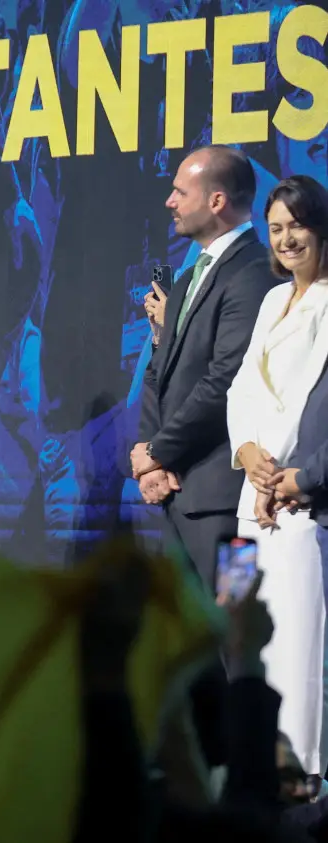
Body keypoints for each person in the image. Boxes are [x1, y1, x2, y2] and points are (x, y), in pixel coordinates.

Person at [132, 145, 278, 590]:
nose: (169, 202)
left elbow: (225, 383)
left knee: (236, 638)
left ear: (216, 201)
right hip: (177, 498)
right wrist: (152, 460)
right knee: (190, 651)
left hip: (225, 503)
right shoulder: (191, 275)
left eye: (179, 192)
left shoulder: (254, 273)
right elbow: (160, 370)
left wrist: (158, 452)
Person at [231, 175, 328, 773]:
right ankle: (249, 772)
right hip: (249, 503)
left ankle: (299, 779)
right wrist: (245, 451)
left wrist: (290, 479)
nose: (287, 238)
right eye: (276, 228)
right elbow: (242, 388)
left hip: (296, 505)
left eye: (297, 224)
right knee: (242, 636)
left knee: (295, 650)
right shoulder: (271, 300)